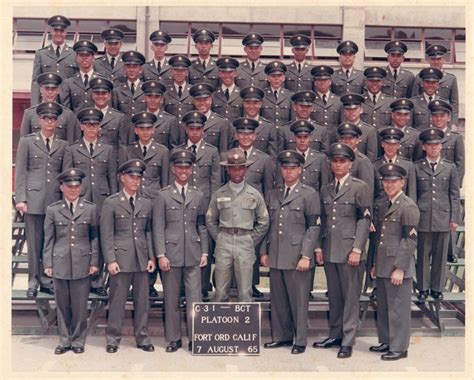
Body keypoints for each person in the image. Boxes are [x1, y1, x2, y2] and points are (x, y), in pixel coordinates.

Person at [313, 143, 371, 359]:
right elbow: (322, 220)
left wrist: (357, 248)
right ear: (330, 164)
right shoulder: (326, 189)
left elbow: (364, 221)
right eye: (335, 161)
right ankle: (335, 334)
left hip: (349, 252)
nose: (338, 165)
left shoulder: (359, 187)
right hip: (330, 250)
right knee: (335, 297)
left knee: (350, 297)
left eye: (343, 161)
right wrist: (318, 246)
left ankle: (348, 340)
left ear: (350, 164)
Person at [261, 150, 321, 354]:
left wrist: (306, 255)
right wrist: (264, 251)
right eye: (285, 168)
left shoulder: (309, 194)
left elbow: (313, 228)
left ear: (300, 170)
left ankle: (300, 340)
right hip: (276, 253)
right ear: (281, 169)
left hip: (297, 256)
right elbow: (267, 225)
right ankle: (281, 336)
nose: (289, 172)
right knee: (278, 300)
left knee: (299, 301)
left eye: (293, 168)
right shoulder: (273, 193)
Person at [153, 150, 208, 353]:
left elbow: (201, 225)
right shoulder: (163, 195)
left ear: (191, 170)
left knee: (195, 298)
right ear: (173, 169)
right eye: (180, 168)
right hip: (171, 254)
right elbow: (158, 227)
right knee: (171, 299)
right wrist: (161, 254)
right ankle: (174, 339)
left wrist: (204, 252)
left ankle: (196, 338)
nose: (183, 171)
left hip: (193, 253)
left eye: (187, 167)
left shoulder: (199, 194)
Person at [15, 102, 69, 298]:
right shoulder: (27, 142)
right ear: (39, 120)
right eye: (46, 118)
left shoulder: (63, 145)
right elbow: (21, 171)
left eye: (53, 119)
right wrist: (21, 198)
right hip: (33, 200)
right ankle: (33, 281)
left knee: (51, 242)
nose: (49, 122)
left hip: (54, 200)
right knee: (34, 243)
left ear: (57, 122)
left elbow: (64, 175)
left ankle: (48, 280)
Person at [101, 159, 155, 353]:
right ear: (122, 177)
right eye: (131, 177)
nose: (135, 181)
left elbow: (148, 231)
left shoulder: (146, 202)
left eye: (138, 178)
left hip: (141, 258)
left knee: (143, 301)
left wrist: (151, 257)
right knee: (117, 301)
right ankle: (113, 338)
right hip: (120, 259)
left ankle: (143, 337)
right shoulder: (111, 202)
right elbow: (106, 234)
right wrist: (110, 260)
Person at [43, 168, 99, 355]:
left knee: (80, 305)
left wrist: (94, 261)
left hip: (82, 263)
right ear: (61, 187)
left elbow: (94, 238)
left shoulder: (90, 209)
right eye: (69, 187)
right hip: (60, 262)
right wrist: (48, 264)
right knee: (62, 305)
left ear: (81, 188)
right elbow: (48, 239)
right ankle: (64, 340)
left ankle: (78, 341)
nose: (74, 190)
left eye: (77, 187)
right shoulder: (53, 209)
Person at [63, 108, 117, 296]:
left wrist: (113, 201)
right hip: (81, 201)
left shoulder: (108, 149)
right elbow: (66, 179)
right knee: (81, 240)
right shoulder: (72, 150)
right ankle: (80, 280)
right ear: (81, 126)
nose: (91, 128)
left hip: (102, 201)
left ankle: (98, 281)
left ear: (99, 127)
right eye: (88, 125)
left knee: (101, 240)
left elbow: (111, 177)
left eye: (95, 125)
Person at [369, 163, 419, 361]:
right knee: (384, 307)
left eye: (393, 181)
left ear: (402, 183)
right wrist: (374, 264)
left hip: (398, 267)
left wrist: (400, 268)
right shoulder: (383, 204)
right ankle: (387, 341)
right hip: (382, 264)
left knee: (398, 308)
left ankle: (399, 347)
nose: (389, 185)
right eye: (386, 181)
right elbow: (379, 238)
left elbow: (409, 240)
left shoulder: (408, 206)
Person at [206, 148, 269, 302]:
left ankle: (245, 326)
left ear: (245, 169)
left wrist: (250, 239)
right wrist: (219, 237)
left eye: (240, 168)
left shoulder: (254, 194)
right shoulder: (219, 193)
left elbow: (264, 221)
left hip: (245, 241)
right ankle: (220, 325)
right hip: (224, 241)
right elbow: (210, 219)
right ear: (227, 170)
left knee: (245, 292)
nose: (236, 172)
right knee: (220, 291)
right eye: (233, 168)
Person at [171, 111, 222, 298]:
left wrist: (212, 208)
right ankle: (184, 288)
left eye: (198, 128)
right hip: (181, 204)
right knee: (183, 242)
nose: (194, 132)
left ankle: (202, 286)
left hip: (203, 204)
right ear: (186, 129)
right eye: (191, 128)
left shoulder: (211, 151)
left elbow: (215, 181)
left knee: (203, 244)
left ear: (203, 130)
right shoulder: (177, 151)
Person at [414, 128, 460, 301]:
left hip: (443, 217)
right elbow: (413, 195)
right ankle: (423, 288)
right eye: (429, 145)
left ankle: (437, 288)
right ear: (424, 147)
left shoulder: (450, 167)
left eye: (437, 145)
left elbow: (454, 195)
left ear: (441, 146)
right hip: (423, 217)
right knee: (423, 254)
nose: (433, 148)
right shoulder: (416, 167)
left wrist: (454, 218)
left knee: (440, 257)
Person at [30, 15, 77, 106]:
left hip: (68, 104)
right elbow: (36, 82)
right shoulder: (41, 54)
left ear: (66, 32)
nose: (58, 33)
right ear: (51, 31)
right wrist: (35, 106)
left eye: (61, 31)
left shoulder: (74, 54)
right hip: (47, 103)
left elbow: (77, 81)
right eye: (56, 30)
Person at [21, 72, 80, 143]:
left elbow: (71, 143)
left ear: (58, 90)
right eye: (47, 89)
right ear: (41, 90)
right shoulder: (30, 113)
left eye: (53, 89)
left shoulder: (67, 114)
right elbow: (24, 142)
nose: (50, 92)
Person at [412, 45, 459, 128]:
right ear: (428, 60)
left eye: (439, 59)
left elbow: (454, 103)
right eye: (433, 59)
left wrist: (454, 123)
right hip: (422, 120)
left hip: (441, 120)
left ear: (443, 59)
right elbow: (414, 99)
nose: (436, 62)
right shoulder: (419, 77)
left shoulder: (451, 78)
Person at [89, 76, 130, 159]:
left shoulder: (119, 117)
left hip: (112, 162)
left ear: (109, 95)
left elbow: (122, 146)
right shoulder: (85, 115)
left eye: (104, 93)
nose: (100, 96)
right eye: (97, 93)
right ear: (92, 95)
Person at [189, 82, 232, 152]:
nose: (202, 103)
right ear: (193, 101)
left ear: (211, 100)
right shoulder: (187, 121)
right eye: (199, 100)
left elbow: (223, 151)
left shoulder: (221, 123)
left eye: (205, 100)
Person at [140, 80, 181, 150]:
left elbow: (173, 148)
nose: (152, 100)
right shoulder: (139, 118)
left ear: (161, 99)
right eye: (149, 96)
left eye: (156, 97)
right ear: (144, 98)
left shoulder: (170, 120)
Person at [60, 40, 99, 112]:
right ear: (76, 58)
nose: (84, 58)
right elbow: (66, 110)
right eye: (81, 55)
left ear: (93, 58)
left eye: (87, 55)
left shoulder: (101, 81)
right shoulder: (69, 83)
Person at [240, 86, 278, 158]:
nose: (251, 106)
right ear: (243, 104)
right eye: (248, 103)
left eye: (255, 103)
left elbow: (272, 157)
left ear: (260, 104)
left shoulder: (269, 127)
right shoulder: (236, 126)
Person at [340, 93, 378, 161]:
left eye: (355, 109)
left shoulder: (369, 130)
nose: (351, 112)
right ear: (344, 111)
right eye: (348, 109)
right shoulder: (338, 130)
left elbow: (372, 158)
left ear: (361, 110)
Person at [111, 51, 147, 119]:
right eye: (128, 67)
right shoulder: (117, 91)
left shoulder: (146, 89)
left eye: (135, 67)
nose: (131, 70)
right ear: (124, 69)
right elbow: (115, 116)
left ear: (140, 69)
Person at [310, 65, 342, 136]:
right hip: (316, 138)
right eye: (319, 80)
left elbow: (341, 123)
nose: (322, 83)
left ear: (330, 81)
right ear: (315, 83)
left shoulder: (338, 101)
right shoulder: (310, 100)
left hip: (334, 138)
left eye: (325, 80)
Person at [163, 55, 195, 124]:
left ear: (187, 73)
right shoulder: (165, 92)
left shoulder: (193, 91)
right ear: (171, 72)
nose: (179, 73)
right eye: (176, 70)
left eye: (182, 70)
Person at [261, 61, 293, 126]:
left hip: (284, 133)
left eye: (279, 76)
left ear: (283, 78)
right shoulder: (262, 95)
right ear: (268, 78)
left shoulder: (290, 96)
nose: (276, 79)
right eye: (273, 76)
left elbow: (292, 120)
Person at [212, 57, 243, 121]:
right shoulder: (213, 95)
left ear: (235, 73)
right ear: (219, 74)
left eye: (230, 72)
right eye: (223, 72)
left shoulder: (242, 95)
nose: (227, 75)